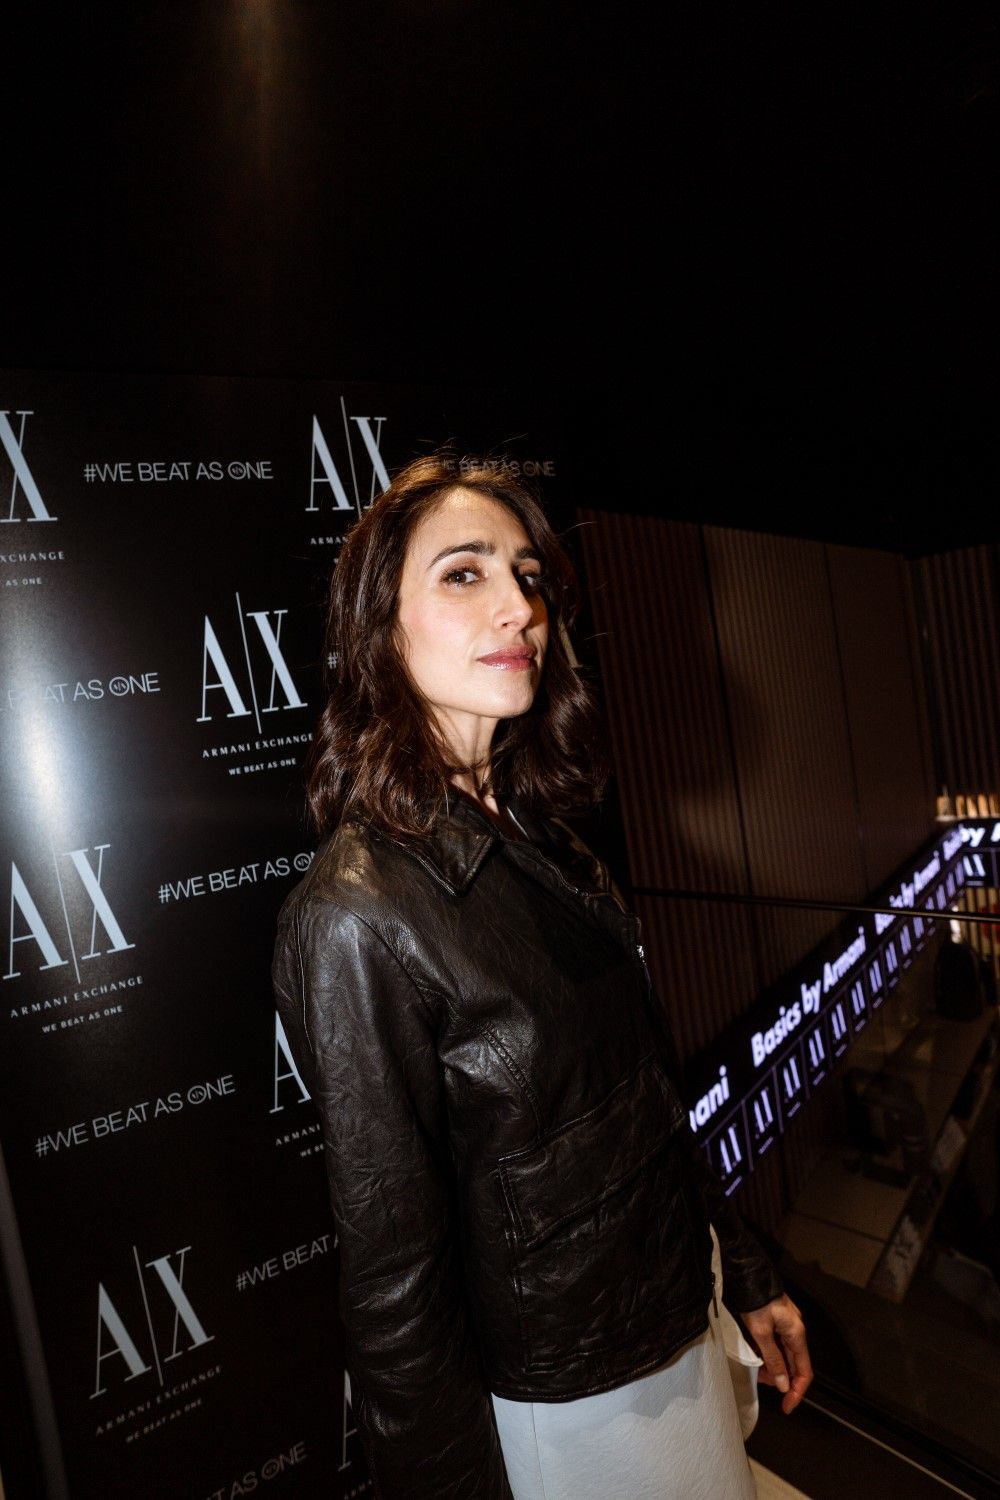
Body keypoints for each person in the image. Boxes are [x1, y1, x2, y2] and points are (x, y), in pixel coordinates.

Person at [271, 454, 812, 1500]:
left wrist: (742, 1271)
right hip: (579, 1404)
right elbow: (394, 1286)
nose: (519, 607)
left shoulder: (547, 840)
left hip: (682, 1317)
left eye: (526, 576)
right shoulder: (354, 915)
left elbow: (647, 1100)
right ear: (379, 626)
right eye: (463, 574)